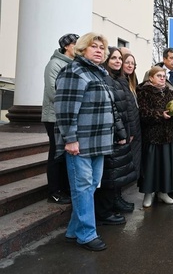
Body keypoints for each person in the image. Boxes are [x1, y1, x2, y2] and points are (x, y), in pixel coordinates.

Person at [54, 32, 119, 251]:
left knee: (90, 187)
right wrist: (70, 139)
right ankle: (86, 234)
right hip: (79, 143)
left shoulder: (98, 73)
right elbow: (65, 110)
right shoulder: (74, 71)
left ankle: (73, 230)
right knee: (82, 187)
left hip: (98, 143)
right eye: (94, 46)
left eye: (102, 47)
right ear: (82, 49)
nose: (100, 50)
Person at [94, 47, 137, 224]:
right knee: (110, 173)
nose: (118, 61)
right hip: (112, 133)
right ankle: (104, 212)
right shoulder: (106, 79)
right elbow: (112, 110)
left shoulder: (119, 79)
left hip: (122, 131)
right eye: (114, 58)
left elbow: (126, 107)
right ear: (107, 60)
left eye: (120, 58)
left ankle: (112, 205)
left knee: (116, 171)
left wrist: (129, 131)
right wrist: (121, 132)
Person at [137, 66, 173, 207]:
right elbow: (143, 113)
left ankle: (163, 192)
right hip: (152, 136)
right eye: (159, 76)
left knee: (166, 166)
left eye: (163, 76)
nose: (162, 78)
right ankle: (148, 194)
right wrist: (160, 114)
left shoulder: (171, 93)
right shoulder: (144, 93)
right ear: (151, 78)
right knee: (151, 166)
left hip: (168, 135)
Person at [41, 33, 78, 205]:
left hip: (68, 117)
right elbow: (52, 93)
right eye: (75, 44)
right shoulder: (54, 64)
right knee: (56, 154)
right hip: (54, 117)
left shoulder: (74, 65)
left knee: (64, 154)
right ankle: (54, 192)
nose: (78, 47)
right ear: (66, 46)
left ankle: (64, 188)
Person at [122, 52, 142, 182]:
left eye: (132, 63)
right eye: (127, 62)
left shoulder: (132, 81)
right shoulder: (120, 81)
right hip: (127, 124)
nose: (130, 65)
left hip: (135, 123)